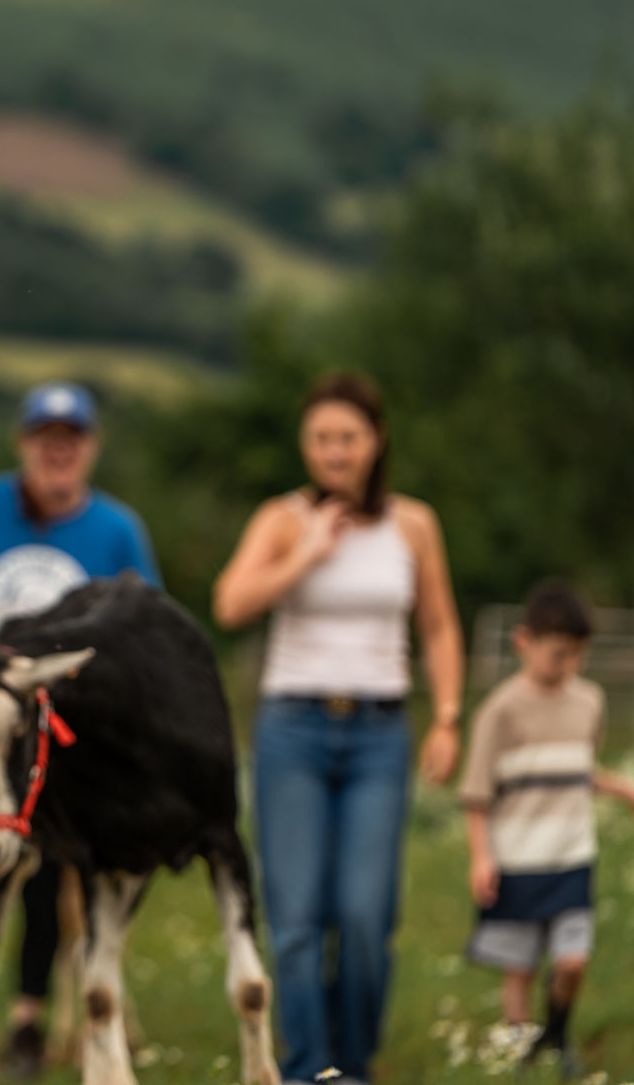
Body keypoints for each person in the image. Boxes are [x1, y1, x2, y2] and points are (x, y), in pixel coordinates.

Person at [212, 372, 465, 1085]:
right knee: (294, 916)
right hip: (293, 728)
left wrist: (447, 716)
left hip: (380, 732)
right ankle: (305, 1068)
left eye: (348, 438)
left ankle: (351, 1065)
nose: (334, 451)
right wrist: (307, 555)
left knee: (362, 915)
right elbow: (230, 603)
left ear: (375, 442)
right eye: (322, 438)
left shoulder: (413, 524)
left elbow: (440, 626)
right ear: (306, 445)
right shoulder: (283, 518)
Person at [0, 380, 162, 1078]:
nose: (59, 451)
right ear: (24, 443)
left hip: (60, 731)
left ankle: (28, 1017)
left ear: (90, 449)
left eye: (72, 440)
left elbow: (140, 628)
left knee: (51, 876)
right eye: (46, 438)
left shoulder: (117, 530)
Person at [461, 579, 634, 1078]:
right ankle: (521, 1054)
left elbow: (577, 770)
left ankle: (558, 1035)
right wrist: (481, 856)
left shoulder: (589, 701)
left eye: (577, 656)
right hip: (518, 860)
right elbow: (477, 793)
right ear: (523, 642)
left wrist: (628, 788)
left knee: (572, 961)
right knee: (520, 968)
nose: (568, 667)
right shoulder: (499, 712)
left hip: (572, 857)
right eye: (557, 655)